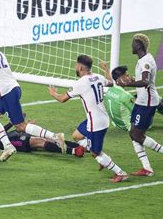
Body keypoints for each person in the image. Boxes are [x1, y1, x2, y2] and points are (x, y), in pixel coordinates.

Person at [0, 31, 66, 162]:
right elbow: (2, 74)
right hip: (13, 88)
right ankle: (8, 146)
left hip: (7, 91)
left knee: (20, 126)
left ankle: (55, 137)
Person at [48, 55, 129, 183]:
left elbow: (62, 99)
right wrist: (105, 69)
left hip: (95, 123)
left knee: (94, 152)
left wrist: (53, 93)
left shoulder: (81, 83)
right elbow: (111, 82)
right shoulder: (99, 77)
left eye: (76, 65)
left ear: (80, 67)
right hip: (99, 118)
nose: (75, 67)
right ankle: (101, 159)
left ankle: (120, 172)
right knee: (76, 136)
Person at [116, 34, 163, 177]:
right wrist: (133, 80)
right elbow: (143, 80)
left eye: (133, 43)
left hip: (147, 104)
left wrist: (127, 83)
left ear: (139, 45)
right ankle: (147, 168)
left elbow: (145, 82)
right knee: (133, 134)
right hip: (141, 102)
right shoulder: (144, 60)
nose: (131, 46)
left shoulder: (146, 62)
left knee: (138, 135)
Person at [0, 102, 85, 157]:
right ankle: (73, 152)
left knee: (44, 138)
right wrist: (14, 123)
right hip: (10, 142)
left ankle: (79, 147)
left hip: (11, 137)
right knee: (40, 142)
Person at [104, 65, 163, 131]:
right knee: (156, 100)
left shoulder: (110, 89)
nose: (129, 77)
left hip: (118, 123)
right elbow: (138, 112)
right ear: (119, 80)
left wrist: (106, 70)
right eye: (126, 76)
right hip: (133, 126)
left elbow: (110, 80)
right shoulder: (126, 96)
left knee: (144, 97)